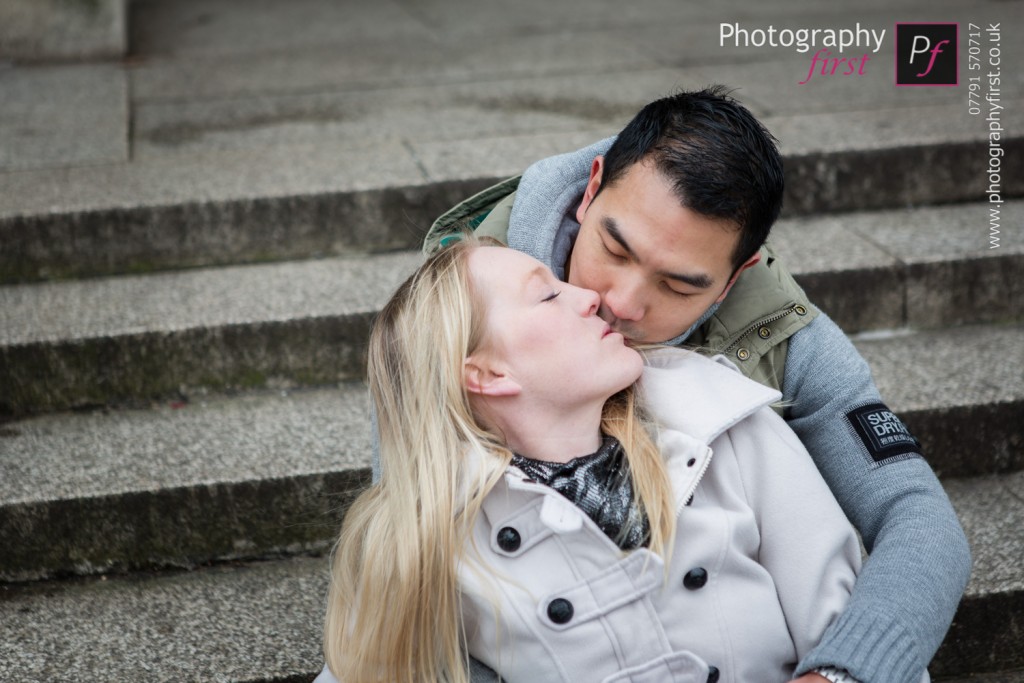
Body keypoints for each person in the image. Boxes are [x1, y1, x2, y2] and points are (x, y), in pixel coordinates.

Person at [418, 86, 969, 683]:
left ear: (736, 278)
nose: (621, 304)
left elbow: (917, 516)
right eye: (614, 247)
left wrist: (845, 673)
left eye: (679, 287)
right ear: (592, 187)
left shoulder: (783, 333)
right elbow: (410, 572)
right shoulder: (458, 308)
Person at [321, 239, 907, 683]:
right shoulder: (425, 540)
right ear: (487, 374)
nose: (589, 298)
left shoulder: (725, 428)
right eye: (548, 294)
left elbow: (843, 626)